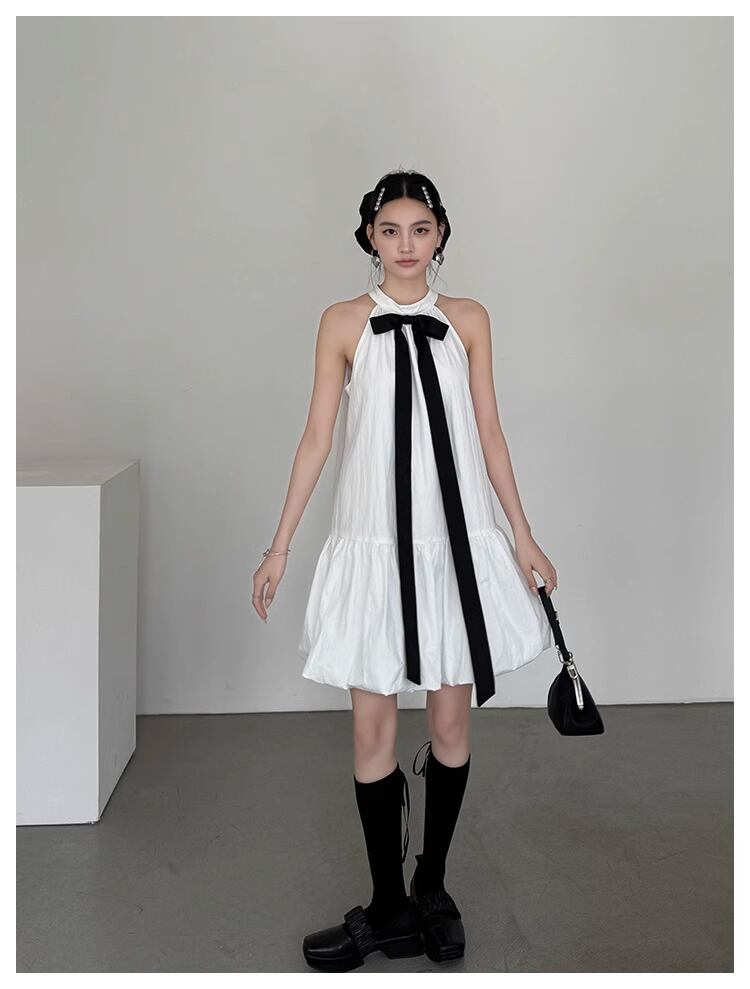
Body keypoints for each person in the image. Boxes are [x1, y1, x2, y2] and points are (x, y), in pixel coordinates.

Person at [251, 169, 558, 972]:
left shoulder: (469, 320)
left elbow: (490, 432)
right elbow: (317, 437)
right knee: (371, 727)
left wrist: (523, 536)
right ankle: (386, 904)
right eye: (391, 230)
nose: (406, 244)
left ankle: (433, 885)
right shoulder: (343, 321)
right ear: (370, 238)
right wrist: (280, 544)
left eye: (420, 228)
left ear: (441, 234)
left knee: (451, 725)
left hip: (453, 545)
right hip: (374, 545)